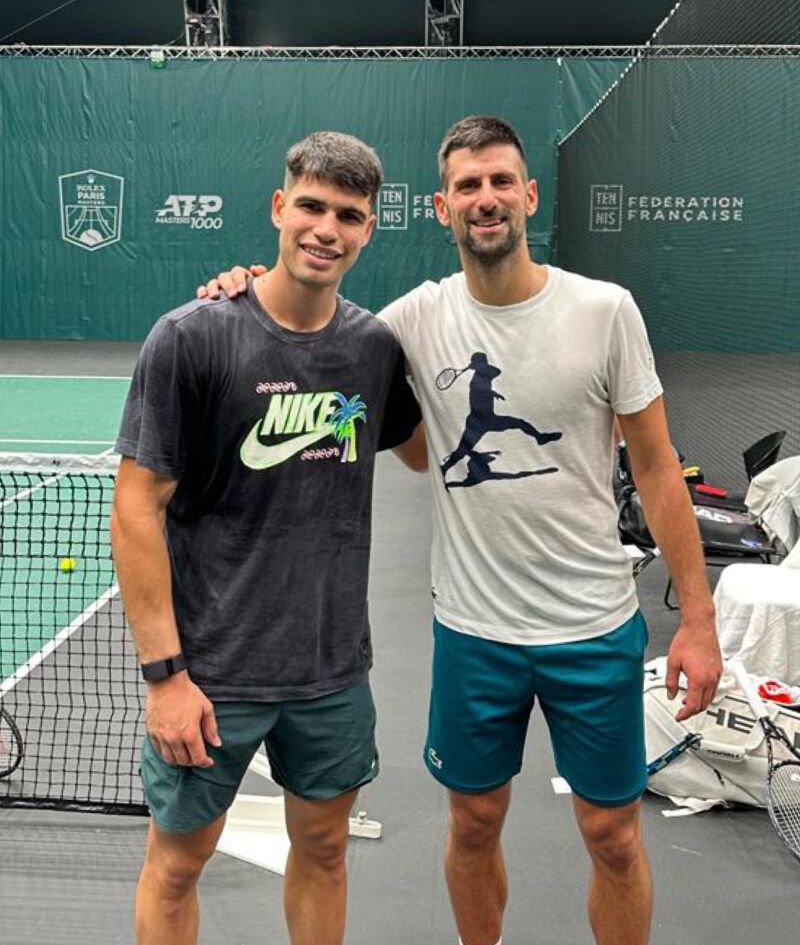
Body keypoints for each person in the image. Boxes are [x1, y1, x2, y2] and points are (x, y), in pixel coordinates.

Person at [199, 115, 722, 945]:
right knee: (473, 825)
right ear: (441, 207)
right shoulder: (406, 323)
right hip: (475, 633)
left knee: (614, 836)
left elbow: (657, 469)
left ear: (529, 195)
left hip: (595, 626)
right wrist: (241, 291)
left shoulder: (606, 311)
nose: (487, 199)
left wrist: (697, 620)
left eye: (501, 181)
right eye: (468, 187)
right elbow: (306, 325)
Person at [111, 131, 423, 945]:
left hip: (330, 670)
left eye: (347, 215)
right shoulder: (193, 336)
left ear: (369, 230)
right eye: (312, 206)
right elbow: (136, 507)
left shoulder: (375, 349)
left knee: (323, 854)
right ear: (280, 209)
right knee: (177, 866)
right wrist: (165, 676)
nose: (326, 228)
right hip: (212, 672)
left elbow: (424, 448)